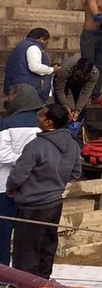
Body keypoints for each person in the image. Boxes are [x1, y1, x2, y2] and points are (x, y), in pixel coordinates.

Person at [6, 103, 80, 278]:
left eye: (41, 116)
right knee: (47, 245)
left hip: (33, 205)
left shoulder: (36, 145)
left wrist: (12, 188)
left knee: (26, 251)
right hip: (55, 202)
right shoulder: (73, 145)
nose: (38, 118)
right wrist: (56, 181)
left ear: (49, 123)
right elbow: (76, 172)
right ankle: (43, 282)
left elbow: (18, 175)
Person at [0, 85, 44, 266]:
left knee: (3, 232)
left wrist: (25, 160)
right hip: (36, 188)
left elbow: (2, 156)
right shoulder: (45, 122)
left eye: (11, 95)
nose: (8, 100)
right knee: (29, 234)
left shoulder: (7, 123)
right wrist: (31, 161)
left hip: (5, 185)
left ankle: (3, 272)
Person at [3, 28, 55, 100]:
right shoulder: (33, 47)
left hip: (18, 86)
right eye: (47, 42)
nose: (46, 45)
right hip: (29, 89)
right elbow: (35, 67)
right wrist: (52, 70)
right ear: (41, 39)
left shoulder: (21, 46)